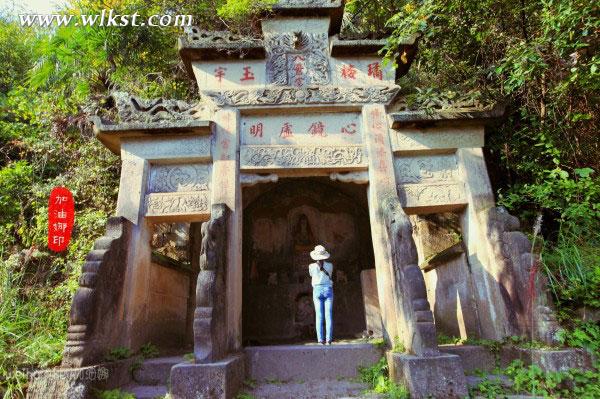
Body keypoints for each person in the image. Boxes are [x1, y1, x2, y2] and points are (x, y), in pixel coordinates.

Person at [308, 245, 334, 345]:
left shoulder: (311, 266)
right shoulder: (330, 266)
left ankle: (320, 340)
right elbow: (330, 275)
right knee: (329, 315)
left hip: (317, 290)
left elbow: (311, 275)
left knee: (319, 316)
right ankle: (328, 340)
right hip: (328, 289)